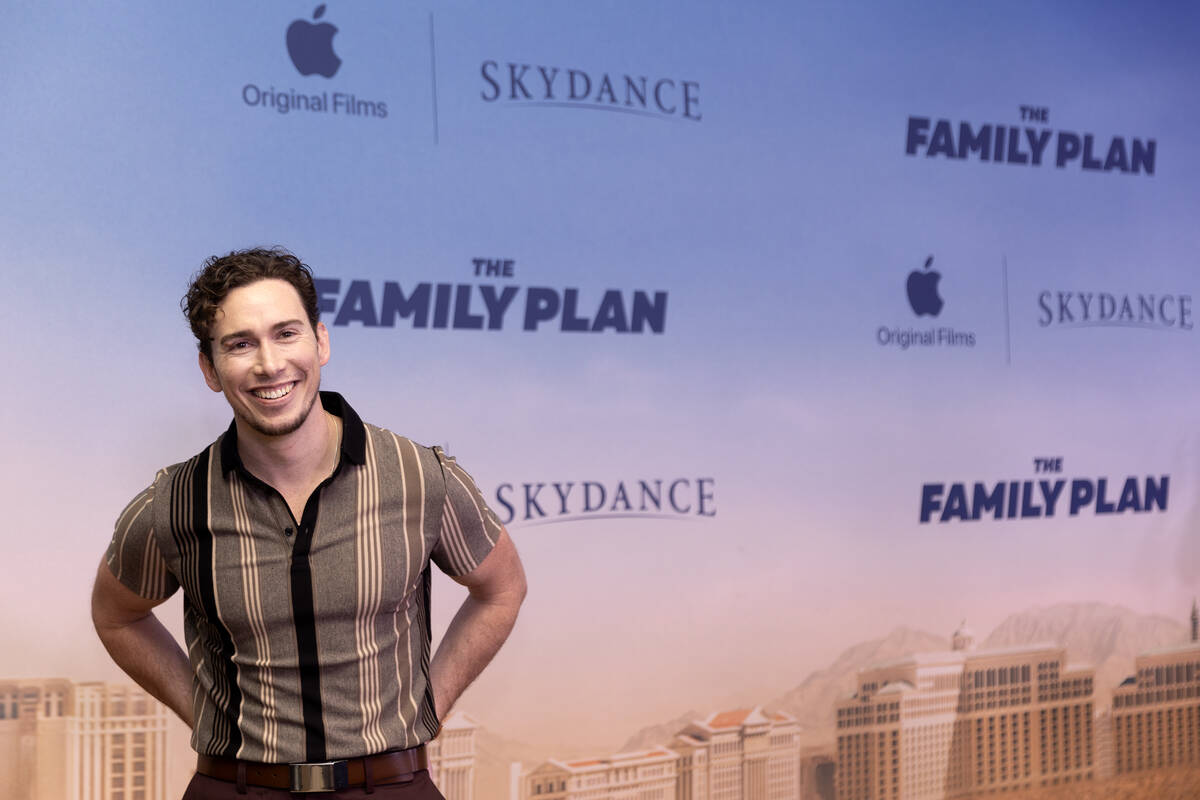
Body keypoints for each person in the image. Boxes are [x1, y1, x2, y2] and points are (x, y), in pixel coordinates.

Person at [91, 248, 526, 798]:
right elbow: (116, 615)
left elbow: (502, 588)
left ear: (321, 342)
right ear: (209, 368)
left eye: (286, 334)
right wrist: (202, 712)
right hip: (236, 786)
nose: (269, 364)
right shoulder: (173, 504)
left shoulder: (422, 477)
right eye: (240, 344)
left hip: (392, 785)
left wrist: (428, 707)